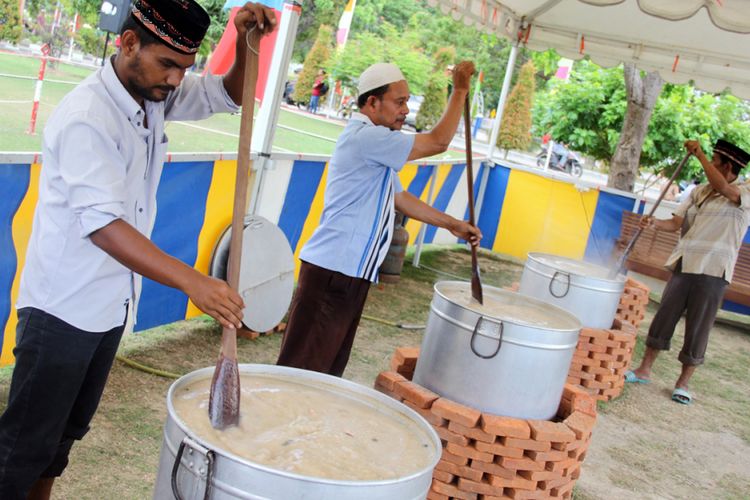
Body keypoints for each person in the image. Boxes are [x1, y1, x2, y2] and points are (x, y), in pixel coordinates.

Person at [0, 2, 277, 499]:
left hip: (107, 309)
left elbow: (226, 93)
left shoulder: (152, 96)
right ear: (128, 43)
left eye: (183, 68)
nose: (175, 80)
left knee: (60, 441)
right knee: (22, 448)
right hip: (62, 310)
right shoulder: (89, 116)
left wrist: (243, 42)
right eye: (166, 65)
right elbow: (105, 227)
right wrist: (194, 281)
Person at [276, 61, 482, 377]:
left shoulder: (376, 144)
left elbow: (399, 198)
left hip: (349, 276)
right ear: (372, 102)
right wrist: (460, 90)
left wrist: (452, 224)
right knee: (302, 374)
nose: (405, 110)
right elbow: (438, 142)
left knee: (326, 373)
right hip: (332, 274)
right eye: (399, 102)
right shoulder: (365, 138)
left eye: (406, 102)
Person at [625, 139, 750, 405]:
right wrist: (654, 224)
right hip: (685, 263)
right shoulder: (699, 192)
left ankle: (683, 383)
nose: (708, 166)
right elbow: (676, 222)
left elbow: (724, 188)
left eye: (714, 161)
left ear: (728, 166)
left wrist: (700, 155)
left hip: (714, 270)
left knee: (698, 327)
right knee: (664, 318)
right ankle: (644, 369)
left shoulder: (744, 190)